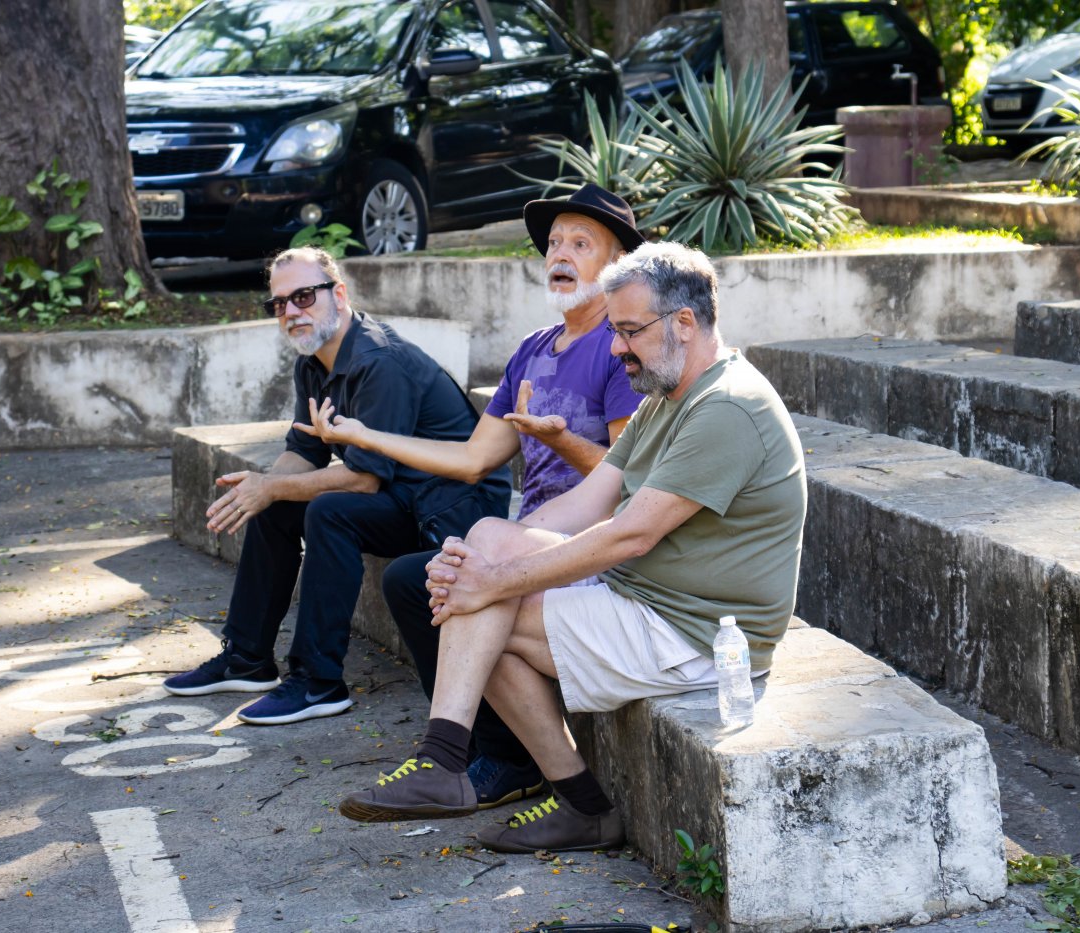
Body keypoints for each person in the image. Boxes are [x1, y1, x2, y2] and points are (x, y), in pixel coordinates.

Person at [334, 242, 808, 854]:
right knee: (486, 542)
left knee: (484, 606)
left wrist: (494, 580)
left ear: (685, 323)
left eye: (630, 331)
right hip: (650, 598)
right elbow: (588, 504)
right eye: (615, 332)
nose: (616, 348)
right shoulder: (667, 400)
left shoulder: (727, 407)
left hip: (698, 634)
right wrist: (481, 557)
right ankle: (454, 763)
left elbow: (631, 533)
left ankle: (512, 782)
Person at [296, 183, 645, 810]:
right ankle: (486, 751)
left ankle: (501, 761)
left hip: (591, 548)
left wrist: (562, 441)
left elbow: (628, 477)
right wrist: (363, 435)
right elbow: (473, 459)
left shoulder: (619, 349)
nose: (560, 254)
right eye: (554, 243)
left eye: (581, 243)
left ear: (616, 264)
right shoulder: (533, 349)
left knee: (455, 579)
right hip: (529, 535)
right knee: (413, 579)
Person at [162, 246, 510, 726]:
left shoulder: (379, 361)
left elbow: (363, 479)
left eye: (303, 296)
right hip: (401, 496)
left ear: (339, 294)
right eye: (279, 303)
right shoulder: (313, 361)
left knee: (327, 510)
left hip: (452, 508)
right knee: (275, 501)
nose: (291, 311)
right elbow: (303, 453)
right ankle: (246, 658)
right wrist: (258, 488)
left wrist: (272, 487)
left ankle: (317, 682)